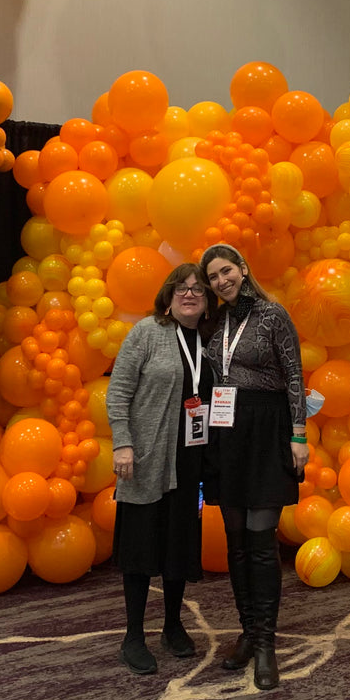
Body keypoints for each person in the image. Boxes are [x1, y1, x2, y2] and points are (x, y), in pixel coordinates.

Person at [199, 243, 308, 691]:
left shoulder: (272, 314)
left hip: (267, 429)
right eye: (213, 277)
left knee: (262, 543)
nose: (221, 281)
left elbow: (294, 374)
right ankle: (247, 632)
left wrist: (298, 435)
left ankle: (265, 645)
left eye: (226, 271)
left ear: (242, 269)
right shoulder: (215, 321)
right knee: (237, 542)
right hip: (226, 432)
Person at [105, 263, 215, 675]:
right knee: (139, 548)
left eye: (198, 289)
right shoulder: (148, 332)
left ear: (207, 301)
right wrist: (123, 443)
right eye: (181, 288)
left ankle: (172, 625)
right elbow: (118, 391)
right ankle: (133, 636)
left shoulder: (210, 340)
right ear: (168, 296)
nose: (189, 294)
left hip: (190, 460)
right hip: (146, 459)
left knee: (178, 545)